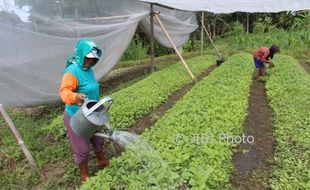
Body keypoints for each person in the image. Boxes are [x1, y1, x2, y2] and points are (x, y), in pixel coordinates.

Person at [59, 39, 109, 182]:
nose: (89, 62)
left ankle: (101, 160)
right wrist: (75, 96)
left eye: (93, 60)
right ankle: (84, 175)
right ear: (81, 55)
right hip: (77, 116)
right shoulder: (72, 71)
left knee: (98, 139)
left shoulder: (89, 69)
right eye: (87, 58)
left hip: (92, 113)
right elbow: (64, 93)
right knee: (82, 148)